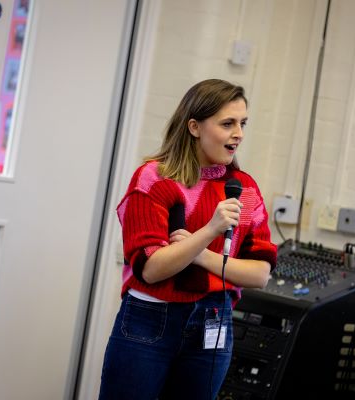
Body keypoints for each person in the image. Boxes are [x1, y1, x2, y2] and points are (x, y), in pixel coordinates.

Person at [98, 79, 277, 400]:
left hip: (214, 319)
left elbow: (260, 274)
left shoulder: (244, 188)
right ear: (194, 127)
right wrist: (210, 231)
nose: (239, 133)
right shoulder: (154, 179)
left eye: (243, 123)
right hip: (151, 320)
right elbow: (152, 269)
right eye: (228, 124)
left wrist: (196, 252)